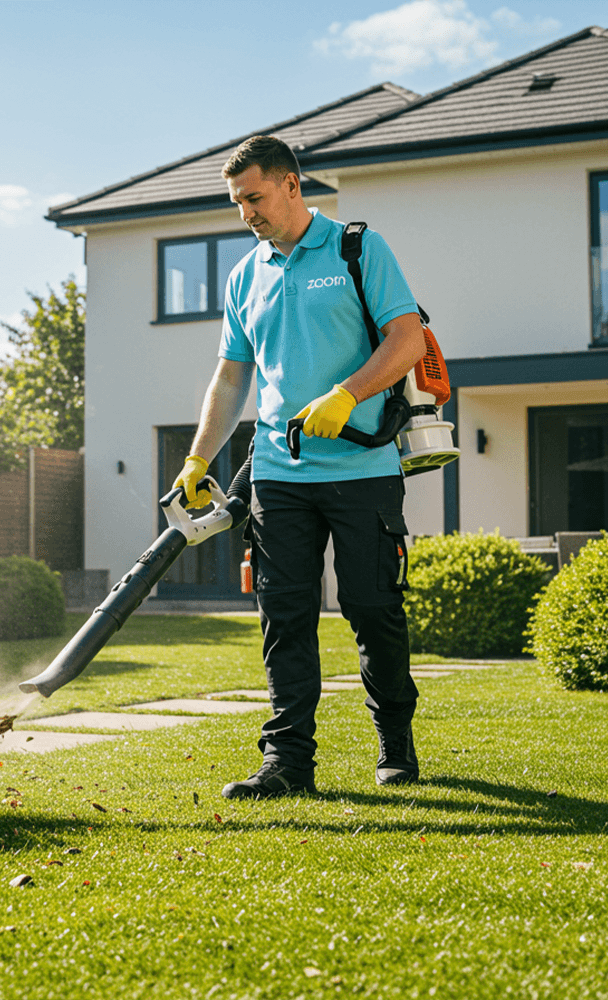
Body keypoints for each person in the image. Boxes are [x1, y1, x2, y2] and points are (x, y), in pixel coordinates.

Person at [172, 134, 426, 799]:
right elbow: (230, 380)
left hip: (364, 465)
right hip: (280, 474)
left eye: (252, 197)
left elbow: (408, 339)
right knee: (283, 616)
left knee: (372, 610)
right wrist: (199, 457)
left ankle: (394, 742)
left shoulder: (356, 248)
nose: (245, 213)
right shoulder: (243, 275)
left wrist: (347, 395)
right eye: (235, 202)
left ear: (291, 185)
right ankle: (286, 764)